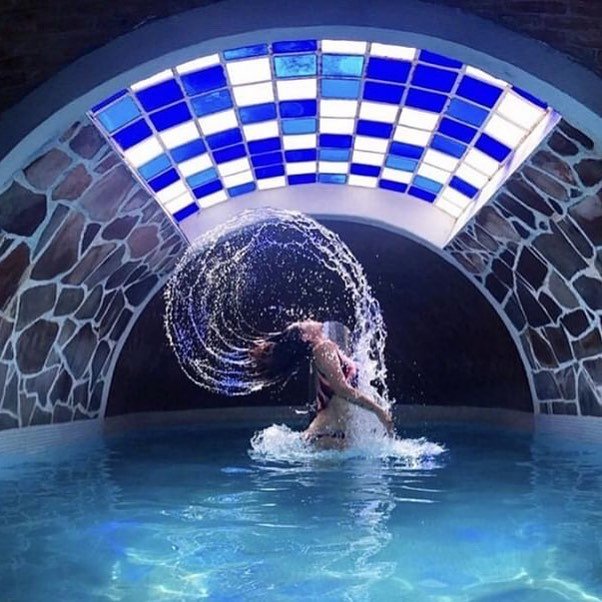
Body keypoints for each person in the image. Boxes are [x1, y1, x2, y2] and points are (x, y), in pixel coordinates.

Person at [250, 320, 394, 449]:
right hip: (328, 438)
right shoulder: (322, 349)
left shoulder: (325, 348)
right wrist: (379, 411)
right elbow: (342, 389)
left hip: (332, 436)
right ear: (305, 336)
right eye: (304, 323)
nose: (308, 319)